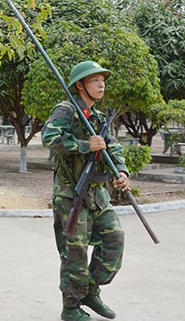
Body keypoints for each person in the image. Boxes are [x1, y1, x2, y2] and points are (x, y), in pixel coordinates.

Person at [42, 61, 130, 321]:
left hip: (97, 193)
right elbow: (50, 138)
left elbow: (111, 146)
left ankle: (91, 290)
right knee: (75, 255)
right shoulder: (66, 110)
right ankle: (70, 307)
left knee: (115, 239)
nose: (101, 84)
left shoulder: (100, 117)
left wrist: (121, 172)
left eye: (102, 79)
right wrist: (83, 144)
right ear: (80, 85)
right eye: (94, 80)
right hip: (71, 195)